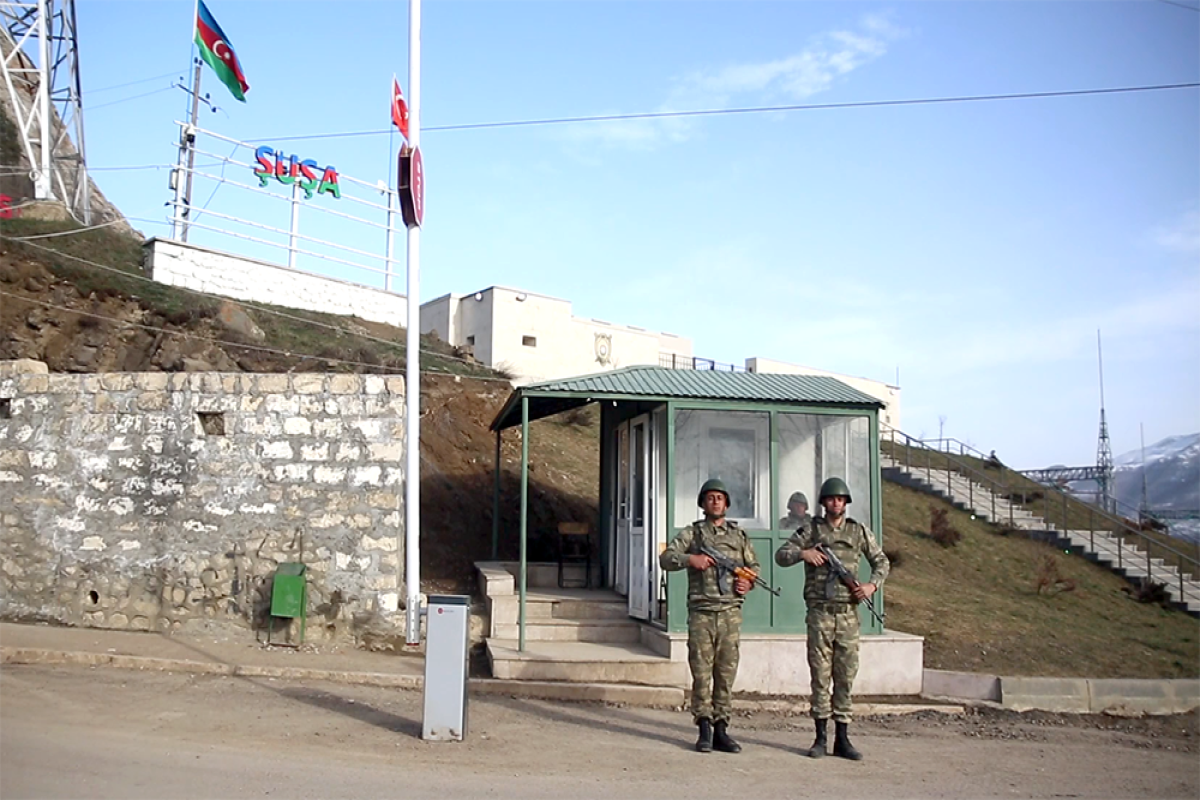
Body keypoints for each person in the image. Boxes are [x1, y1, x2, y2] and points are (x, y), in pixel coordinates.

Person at [774, 476, 889, 761]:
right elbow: (781, 555)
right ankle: (820, 737)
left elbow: (882, 561)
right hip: (820, 614)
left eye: (840, 499)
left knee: (845, 676)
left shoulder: (858, 532)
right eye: (831, 499)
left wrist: (871, 586)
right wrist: (804, 553)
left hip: (848, 615)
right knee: (820, 676)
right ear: (824, 502)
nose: (836, 503)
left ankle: (843, 738)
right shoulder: (811, 530)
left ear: (845, 503)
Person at [659, 478, 759, 754]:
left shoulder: (739, 537)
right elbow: (666, 557)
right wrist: (691, 560)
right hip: (702, 612)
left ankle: (722, 729)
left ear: (727, 503)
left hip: (729, 612)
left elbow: (753, 566)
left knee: (725, 673)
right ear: (703, 503)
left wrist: (747, 583)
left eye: (720, 497)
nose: (715, 501)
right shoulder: (693, 534)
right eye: (710, 497)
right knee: (702, 673)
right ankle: (703, 727)